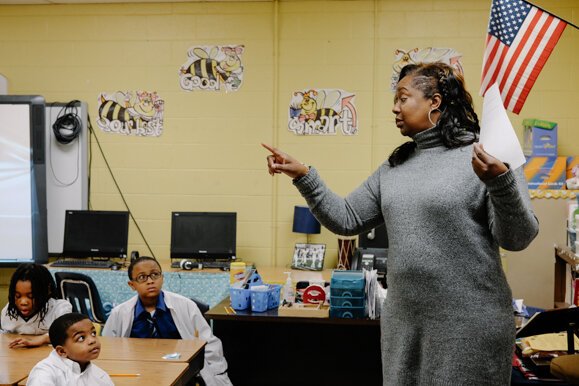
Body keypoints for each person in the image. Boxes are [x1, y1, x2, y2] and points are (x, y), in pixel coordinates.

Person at [263, 62, 539, 385]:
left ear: (434, 101)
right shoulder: (395, 166)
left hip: (469, 328)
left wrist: (500, 181)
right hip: (404, 326)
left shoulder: (486, 152)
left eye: (402, 98)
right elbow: (347, 217)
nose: (394, 108)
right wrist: (303, 176)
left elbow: (518, 237)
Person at [102, 255, 232, 386]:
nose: (150, 281)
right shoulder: (119, 313)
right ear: (132, 285)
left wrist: (216, 374)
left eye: (155, 275)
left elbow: (209, 343)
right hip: (137, 373)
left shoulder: (186, 306)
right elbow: (107, 350)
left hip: (180, 373)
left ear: (162, 278)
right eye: (142, 277)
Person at [26, 312, 113, 386]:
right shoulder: (44, 373)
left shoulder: (101, 377)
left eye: (93, 333)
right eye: (81, 338)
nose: (92, 340)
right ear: (62, 351)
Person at [1, 263, 72, 348]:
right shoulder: (9, 312)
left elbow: (66, 334)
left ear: (47, 290)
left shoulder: (60, 308)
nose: (23, 302)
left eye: (31, 296)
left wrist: (42, 339)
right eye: (18, 296)